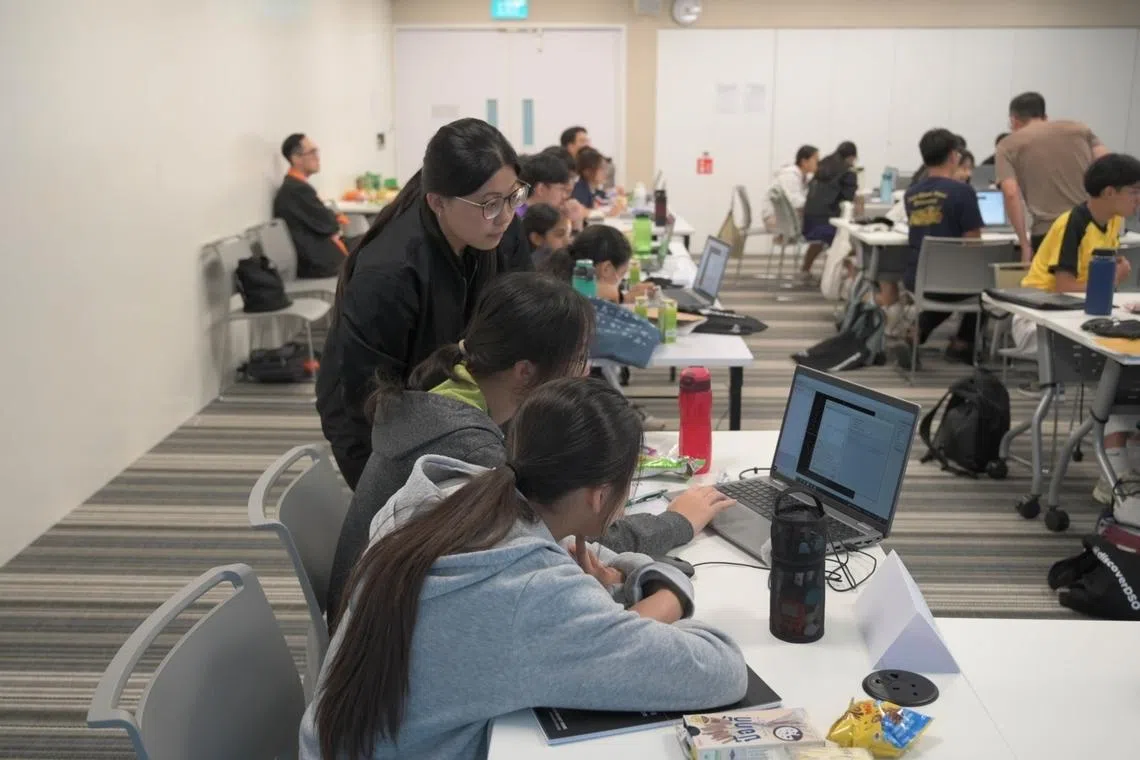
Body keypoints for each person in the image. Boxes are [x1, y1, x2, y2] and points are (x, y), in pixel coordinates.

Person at [303, 378, 748, 760]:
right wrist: (666, 597)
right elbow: (722, 670)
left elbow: (595, 558)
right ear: (600, 496)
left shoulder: (451, 496)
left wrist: (620, 586)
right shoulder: (531, 595)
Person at [325, 273, 730, 625]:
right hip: (391, 636)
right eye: (576, 359)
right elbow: (566, 520)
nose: (585, 371)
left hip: (379, 620)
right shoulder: (466, 447)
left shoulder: (445, 396)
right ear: (525, 371)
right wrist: (678, 520)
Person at [316, 118, 531, 490]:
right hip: (375, 427)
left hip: (438, 404)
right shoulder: (391, 273)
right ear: (437, 202)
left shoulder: (486, 229)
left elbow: (519, 307)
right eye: (490, 204)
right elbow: (369, 398)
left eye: (513, 196)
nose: (506, 216)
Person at [1017, 153, 1140, 516]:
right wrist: (1113, 277)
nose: (1138, 200)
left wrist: (1114, 274)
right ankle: (1117, 473)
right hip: (1039, 317)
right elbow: (1065, 285)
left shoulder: (1113, 222)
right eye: (1133, 191)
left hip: (1079, 314)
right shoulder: (1073, 223)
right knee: (1114, 374)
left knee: (1121, 371)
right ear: (1108, 192)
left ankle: (1120, 464)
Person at [896, 128, 985, 368]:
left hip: (918, 278)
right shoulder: (964, 192)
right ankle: (962, 345)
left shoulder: (911, 194)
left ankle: (915, 333)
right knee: (988, 287)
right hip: (952, 282)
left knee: (946, 285)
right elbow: (973, 245)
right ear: (954, 156)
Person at [996, 91, 1110, 263]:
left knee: (1050, 287)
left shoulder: (1008, 145)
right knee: (1089, 286)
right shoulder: (1079, 129)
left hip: (1047, 231)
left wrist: (1025, 244)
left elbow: (1011, 193)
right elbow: (1109, 167)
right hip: (1090, 226)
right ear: (1045, 116)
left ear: (1014, 121)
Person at [273, 133, 349, 278]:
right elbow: (329, 224)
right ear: (296, 158)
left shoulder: (297, 186)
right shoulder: (296, 190)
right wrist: (335, 218)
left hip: (318, 253)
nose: (318, 157)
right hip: (316, 263)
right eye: (312, 152)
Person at [546, 226, 657, 304]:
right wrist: (619, 297)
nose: (620, 282)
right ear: (606, 269)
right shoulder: (579, 305)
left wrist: (624, 297)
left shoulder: (559, 280)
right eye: (622, 274)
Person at [802, 141, 860, 278]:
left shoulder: (822, 164)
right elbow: (848, 200)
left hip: (808, 222)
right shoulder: (848, 172)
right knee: (849, 240)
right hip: (826, 224)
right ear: (852, 157)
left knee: (827, 237)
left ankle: (805, 269)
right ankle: (853, 277)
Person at [518, 151, 587, 230]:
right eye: (562, 189)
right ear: (541, 189)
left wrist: (576, 223)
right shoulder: (518, 220)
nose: (565, 196)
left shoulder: (542, 216)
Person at [761, 144, 819, 232]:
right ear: (804, 161)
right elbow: (794, 201)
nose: (818, 163)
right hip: (774, 218)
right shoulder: (790, 176)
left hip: (784, 216)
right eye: (815, 159)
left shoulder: (802, 177)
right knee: (818, 226)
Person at [522, 203, 571, 268]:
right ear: (537, 238)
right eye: (560, 234)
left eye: (569, 234)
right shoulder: (530, 270)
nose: (568, 242)